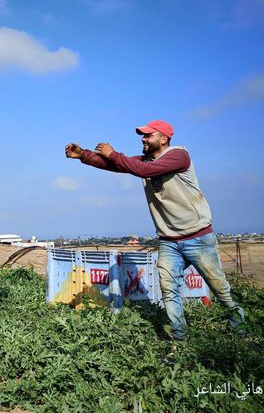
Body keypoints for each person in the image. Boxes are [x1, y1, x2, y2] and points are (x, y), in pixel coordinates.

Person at [65, 119, 244, 340]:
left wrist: (113, 154)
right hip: (169, 240)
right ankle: (180, 338)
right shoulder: (145, 160)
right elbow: (117, 165)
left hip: (197, 237)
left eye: (148, 135)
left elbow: (142, 169)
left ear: (163, 138)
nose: (143, 138)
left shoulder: (179, 156)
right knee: (168, 289)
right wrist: (83, 154)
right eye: (143, 135)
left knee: (220, 289)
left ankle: (241, 331)